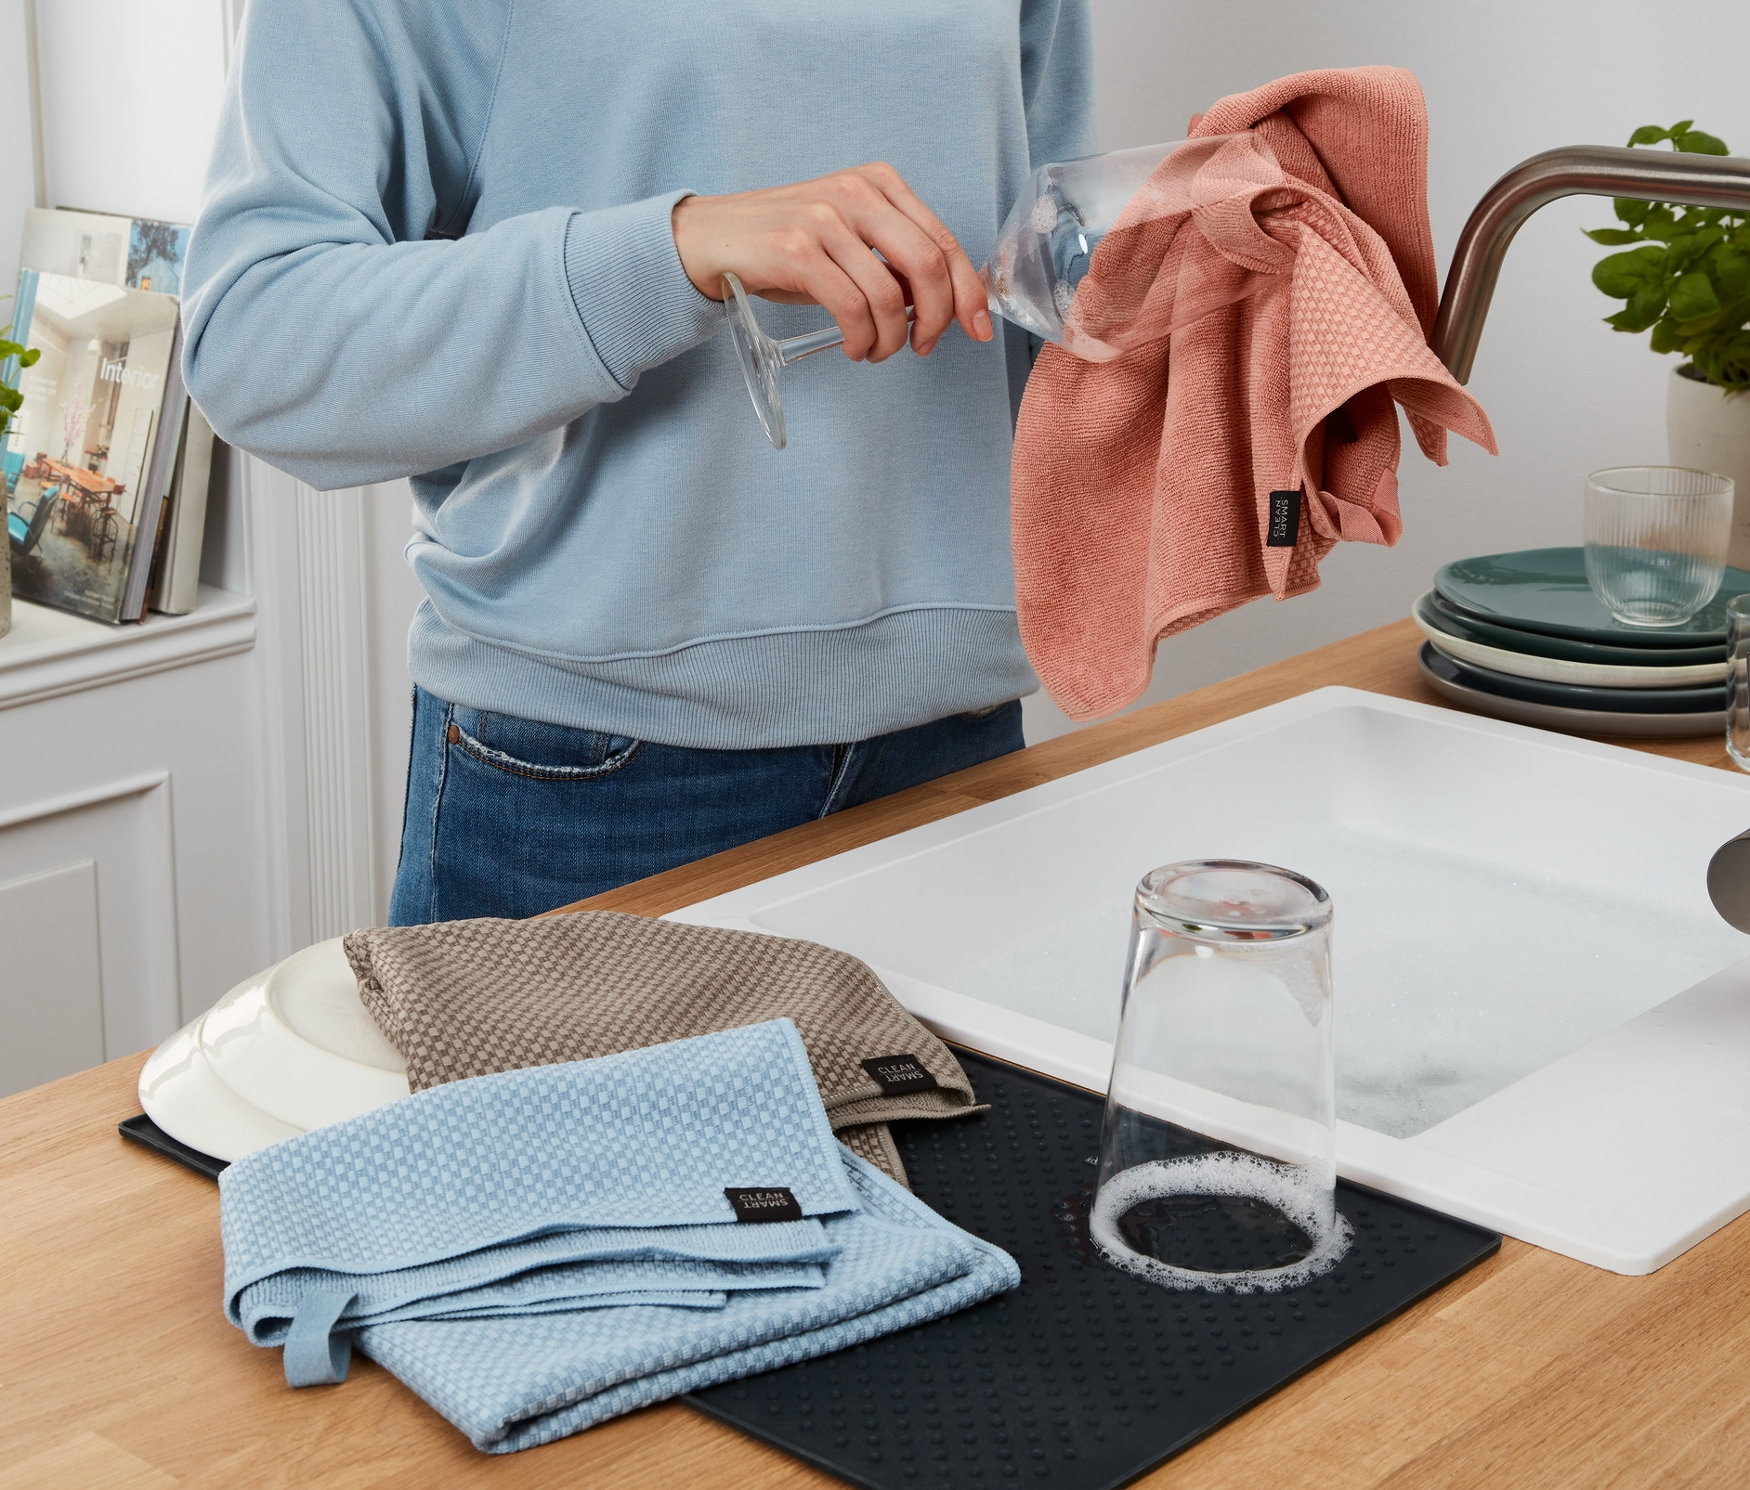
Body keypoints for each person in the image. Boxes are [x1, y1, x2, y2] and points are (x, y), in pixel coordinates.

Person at [182, 0, 1096, 924]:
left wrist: (1184, 270)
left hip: (962, 743)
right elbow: (256, 338)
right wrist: (673, 251)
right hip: (591, 784)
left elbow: (1050, 288)